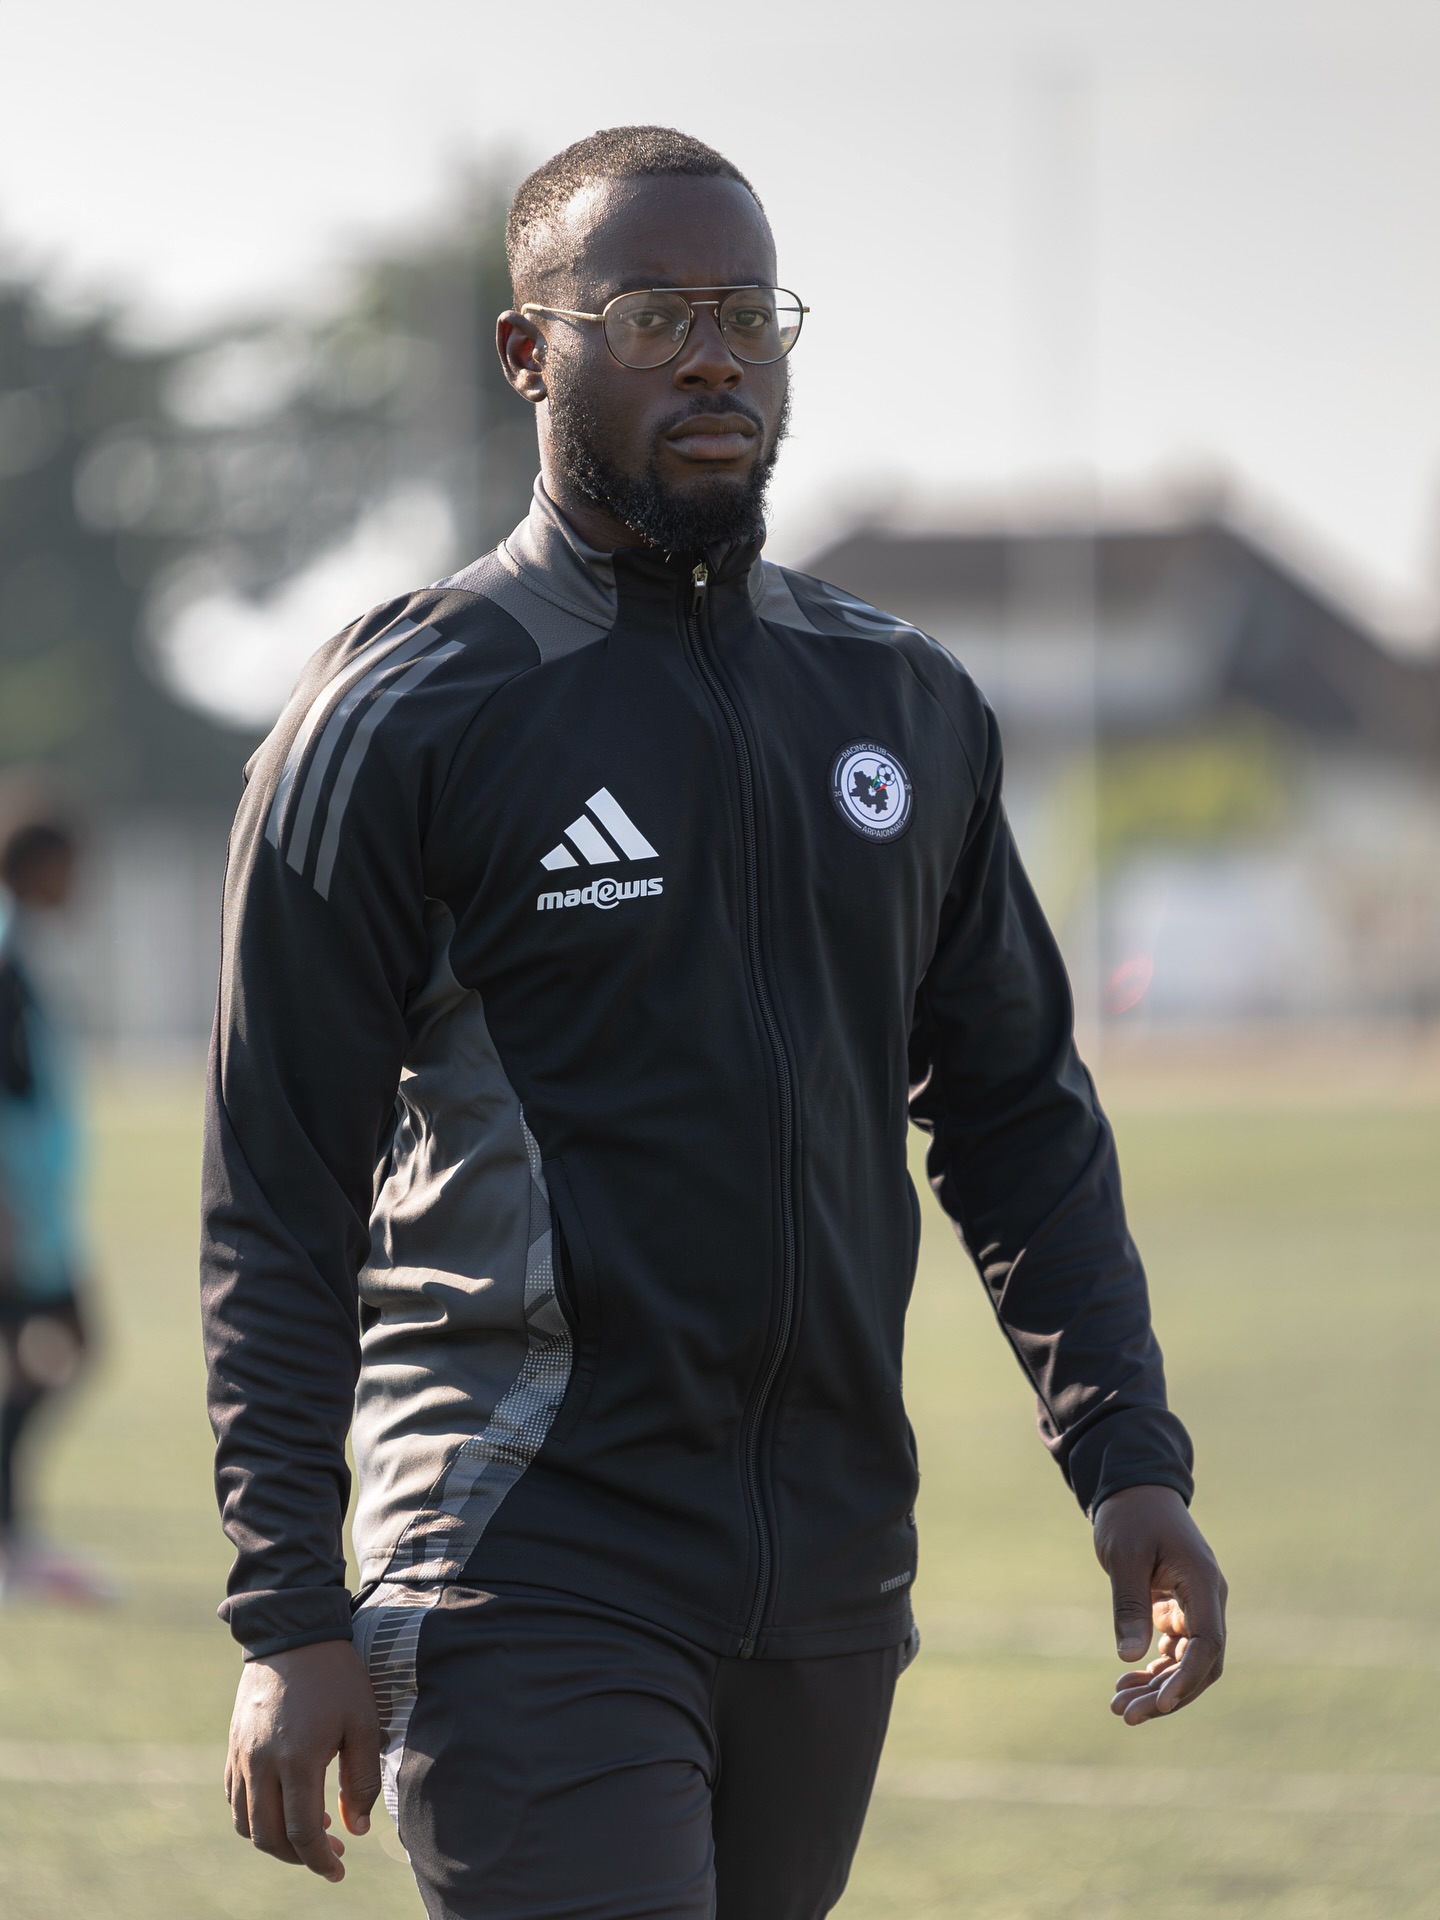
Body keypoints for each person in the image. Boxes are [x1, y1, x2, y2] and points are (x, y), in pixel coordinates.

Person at [208, 126, 1227, 1920]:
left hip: (831, 1577)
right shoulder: (406, 714)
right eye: (661, 310)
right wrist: (287, 1606)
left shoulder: (900, 704)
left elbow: (1014, 1115)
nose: (719, 355)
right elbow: (278, 1197)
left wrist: (1128, 1458)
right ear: (532, 351)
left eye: (751, 315)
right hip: (526, 1549)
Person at [0, 789, 98, 1603]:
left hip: (36, 1209)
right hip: (14, 1213)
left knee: (55, 1351)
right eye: (74, 866)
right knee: (66, 1344)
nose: (82, 882)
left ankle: (13, 1533)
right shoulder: (2, 949)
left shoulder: (22, 946)